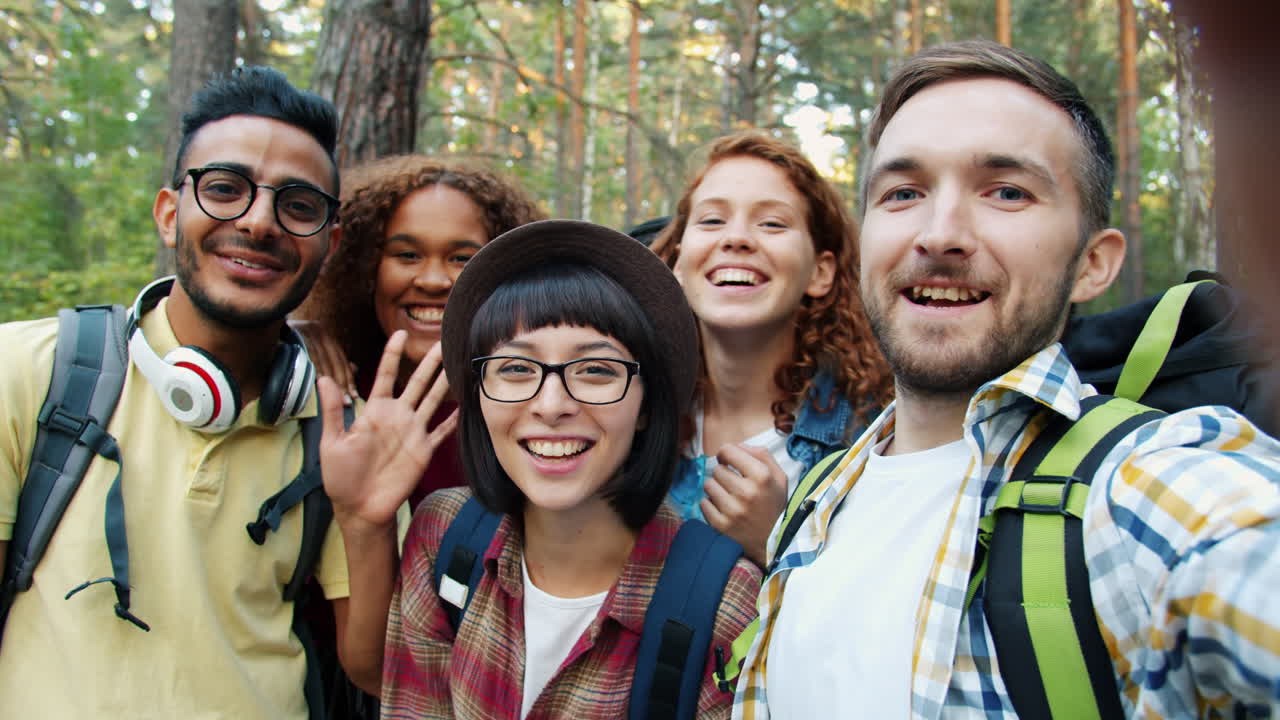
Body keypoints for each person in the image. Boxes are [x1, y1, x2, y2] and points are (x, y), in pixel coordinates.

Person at [732, 41, 1280, 718]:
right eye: (903, 192)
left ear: (1093, 264)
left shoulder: (1145, 488)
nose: (940, 234)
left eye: (1006, 191)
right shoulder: (815, 500)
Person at [0, 67, 359, 718]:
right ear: (170, 214)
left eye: (298, 205)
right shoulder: (27, 370)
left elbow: (378, 667)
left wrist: (366, 514)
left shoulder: (339, 431)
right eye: (225, 189)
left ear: (327, 245)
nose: (258, 222)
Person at [316, 219, 762, 718]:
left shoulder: (725, 601)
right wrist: (361, 524)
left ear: (646, 406)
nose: (551, 405)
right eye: (515, 369)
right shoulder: (445, 536)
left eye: (596, 370)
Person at [650, 132, 893, 566]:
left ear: (820, 273)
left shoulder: (876, 439)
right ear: (678, 264)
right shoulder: (634, 416)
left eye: (772, 224)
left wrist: (776, 542)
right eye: (711, 221)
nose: (737, 238)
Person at [296, 156, 545, 510]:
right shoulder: (329, 391)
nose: (432, 280)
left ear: (506, 272)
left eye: (461, 258)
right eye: (408, 255)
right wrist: (291, 338)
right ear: (365, 267)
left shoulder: (543, 406)